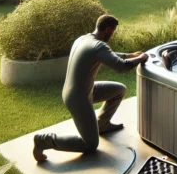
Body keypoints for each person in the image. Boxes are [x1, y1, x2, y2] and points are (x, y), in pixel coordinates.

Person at [32, 15, 148, 162]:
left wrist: (130, 55)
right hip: (78, 98)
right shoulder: (98, 46)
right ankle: (44, 140)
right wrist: (141, 58)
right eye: (112, 32)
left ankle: (102, 124)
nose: (112, 35)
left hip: (83, 90)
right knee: (90, 144)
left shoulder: (84, 39)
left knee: (119, 90)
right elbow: (121, 66)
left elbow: (109, 56)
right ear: (108, 29)